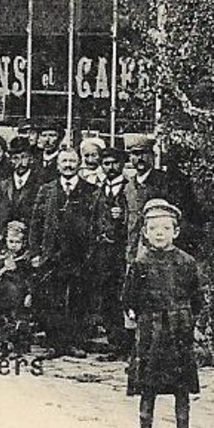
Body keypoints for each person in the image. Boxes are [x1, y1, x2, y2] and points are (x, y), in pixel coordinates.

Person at [123, 198, 201, 428]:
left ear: (175, 232)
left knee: (181, 388)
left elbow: (196, 297)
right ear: (145, 232)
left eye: (165, 229)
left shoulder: (187, 263)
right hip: (151, 332)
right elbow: (129, 298)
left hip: (179, 331)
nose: (159, 234)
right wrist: (137, 319)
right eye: (154, 229)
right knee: (149, 385)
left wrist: (189, 320)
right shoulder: (140, 264)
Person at [28, 147, 97, 357]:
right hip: (51, 254)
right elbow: (36, 224)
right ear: (58, 165)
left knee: (77, 299)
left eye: (72, 161)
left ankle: (75, 343)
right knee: (52, 299)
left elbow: (95, 224)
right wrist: (35, 253)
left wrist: (90, 255)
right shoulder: (46, 190)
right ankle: (54, 343)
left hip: (78, 255)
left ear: (79, 164)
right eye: (64, 161)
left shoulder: (91, 190)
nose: (68, 165)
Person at [91, 144, 133, 359]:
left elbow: (134, 219)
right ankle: (113, 340)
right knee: (105, 296)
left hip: (121, 251)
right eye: (106, 163)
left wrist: (121, 217)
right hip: (102, 252)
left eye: (114, 163)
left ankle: (125, 344)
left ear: (123, 164)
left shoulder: (128, 189)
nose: (110, 167)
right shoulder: (99, 190)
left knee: (121, 296)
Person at [0, 220, 35, 358]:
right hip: (4, 293)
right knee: (4, 318)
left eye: (17, 242)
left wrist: (29, 294)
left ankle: (19, 347)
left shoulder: (25, 260)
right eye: (11, 241)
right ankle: (4, 345)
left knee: (19, 320)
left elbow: (30, 278)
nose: (14, 245)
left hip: (19, 294)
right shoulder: (3, 257)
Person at [0, 136, 41, 248]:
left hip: (30, 247)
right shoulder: (4, 185)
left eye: (24, 157)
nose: (20, 162)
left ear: (31, 158)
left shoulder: (40, 185)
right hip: (5, 245)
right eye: (15, 158)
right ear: (10, 160)